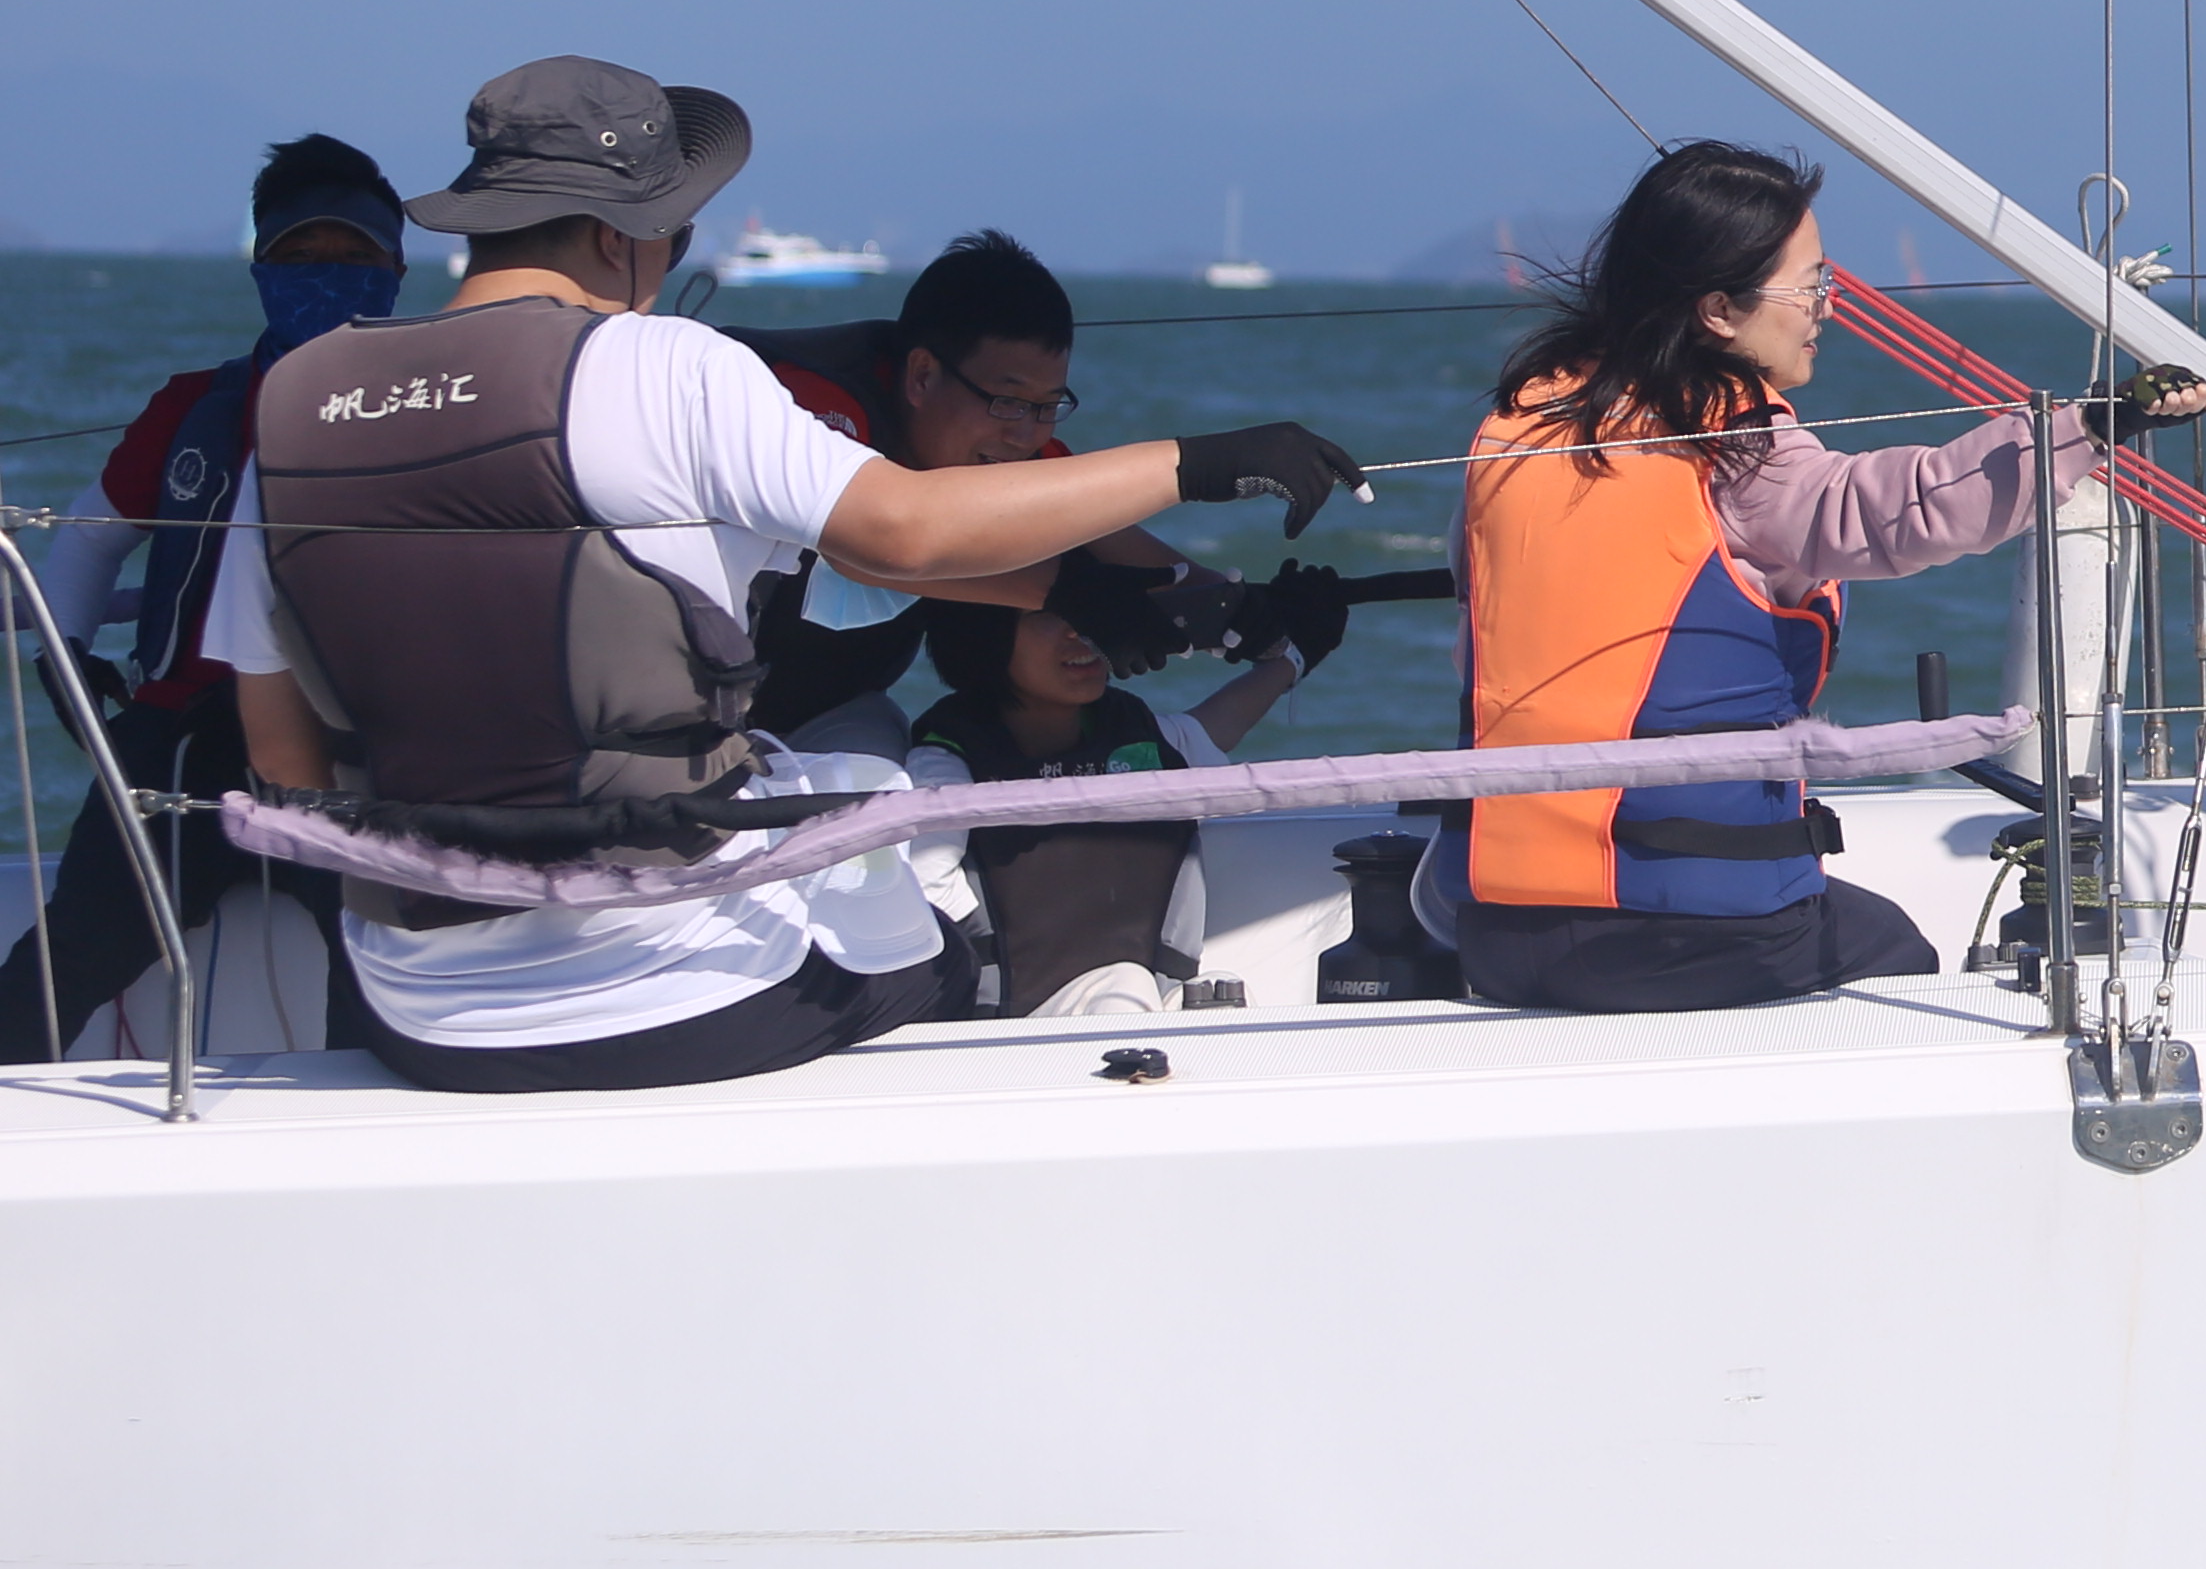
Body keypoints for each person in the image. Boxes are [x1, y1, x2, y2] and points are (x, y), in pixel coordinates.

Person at [207, 58, 1367, 1092]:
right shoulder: (666, 366)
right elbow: (903, 533)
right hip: (655, 986)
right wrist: (1193, 463)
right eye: (675, 232)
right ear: (618, 235)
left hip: (412, 1006)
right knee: (937, 954)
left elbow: (281, 756)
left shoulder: (295, 404)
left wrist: (1092, 593)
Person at [1443, 139, 2206, 1015]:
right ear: (1718, 310)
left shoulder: (1525, 429)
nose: (1826, 308)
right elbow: (1893, 509)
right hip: (1687, 928)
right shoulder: (1739, 453)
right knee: (1900, 951)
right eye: (1811, 286)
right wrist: (2091, 427)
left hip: (1499, 925)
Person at [13, 134, 410, 1061]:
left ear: (396, 269)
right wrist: (66, 658)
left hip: (356, 744)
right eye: (300, 257)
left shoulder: (441, 411)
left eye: (353, 256)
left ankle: (355, 1125)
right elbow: (90, 538)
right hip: (182, 738)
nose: (327, 275)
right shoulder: (195, 408)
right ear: (260, 269)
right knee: (76, 947)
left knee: (380, 964)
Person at [742, 230, 1246, 757]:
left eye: (1048, 406)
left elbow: (1128, 551)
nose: (1025, 434)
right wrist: (1069, 591)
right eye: (1007, 401)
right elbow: (861, 548)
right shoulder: (806, 406)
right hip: (700, 709)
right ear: (922, 376)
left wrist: (1247, 611)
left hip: (834, 713)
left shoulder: (1020, 443)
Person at [900, 580, 1328, 1019]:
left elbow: (1214, 728)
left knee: (1221, 998)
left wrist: (1292, 657)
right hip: (1010, 1027)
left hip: (1143, 1006)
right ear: (979, 636)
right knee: (1124, 985)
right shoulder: (945, 764)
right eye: (1047, 614)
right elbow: (927, 890)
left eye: (1088, 608)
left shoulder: (1135, 734)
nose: (1081, 629)